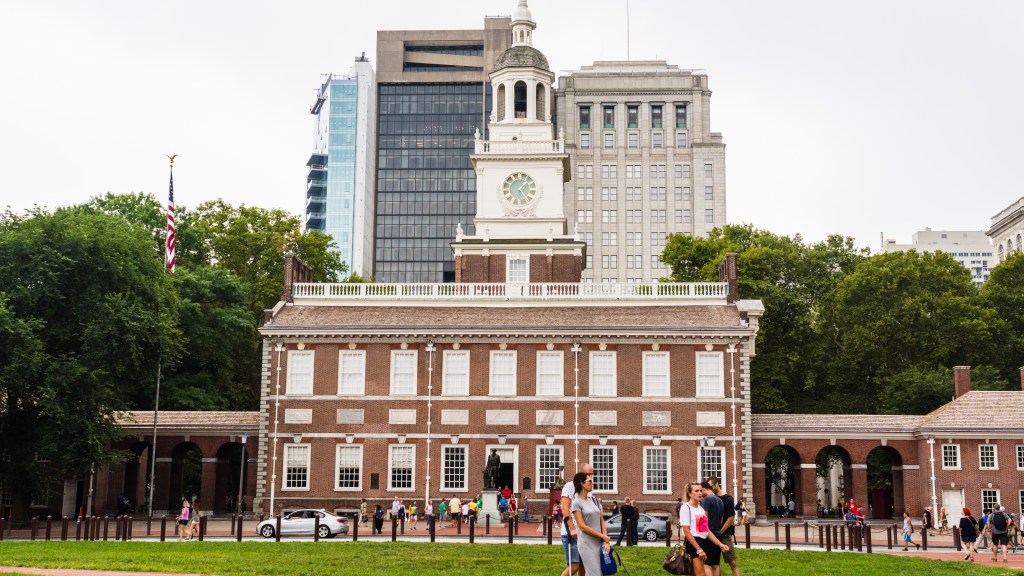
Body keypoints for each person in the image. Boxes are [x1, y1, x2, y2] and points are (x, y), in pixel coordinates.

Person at [679, 482, 730, 576]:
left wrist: (720, 544)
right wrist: (699, 550)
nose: (699, 493)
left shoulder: (700, 509)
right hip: (693, 543)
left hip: (703, 542)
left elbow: (705, 530)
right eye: (696, 491)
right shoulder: (686, 508)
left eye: (701, 490)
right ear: (690, 493)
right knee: (701, 574)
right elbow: (686, 531)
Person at [570, 471, 611, 576]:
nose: (592, 483)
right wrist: (602, 536)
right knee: (594, 573)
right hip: (586, 544)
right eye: (590, 481)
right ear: (582, 484)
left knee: (601, 573)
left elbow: (601, 521)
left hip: (599, 543)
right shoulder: (576, 503)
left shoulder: (595, 500)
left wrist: (605, 540)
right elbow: (583, 527)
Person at [560, 462, 594, 576]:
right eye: (587, 474)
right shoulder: (569, 486)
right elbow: (564, 507)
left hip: (584, 533)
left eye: (591, 474)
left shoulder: (589, 490)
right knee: (574, 565)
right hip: (571, 533)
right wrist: (572, 528)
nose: (590, 477)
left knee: (583, 565)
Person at [709, 476, 741, 576]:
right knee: (714, 563)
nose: (710, 489)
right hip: (712, 536)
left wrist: (720, 532)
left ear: (716, 484)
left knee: (733, 562)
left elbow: (730, 518)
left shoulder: (728, 499)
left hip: (724, 536)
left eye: (711, 486)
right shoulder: (709, 499)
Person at [700, 480, 726, 576]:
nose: (699, 493)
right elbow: (721, 519)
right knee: (715, 564)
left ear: (704, 489)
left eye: (700, 491)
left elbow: (703, 518)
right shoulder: (719, 500)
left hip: (708, 535)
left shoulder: (707, 499)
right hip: (718, 534)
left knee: (706, 564)